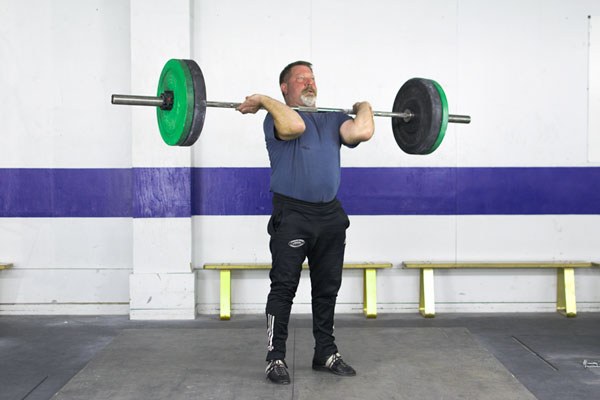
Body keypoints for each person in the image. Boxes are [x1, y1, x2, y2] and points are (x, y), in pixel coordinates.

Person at [236, 61, 374, 385]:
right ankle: (275, 357)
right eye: (301, 79)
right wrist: (264, 100)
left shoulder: (332, 119)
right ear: (285, 87)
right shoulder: (277, 117)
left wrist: (363, 106)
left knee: (327, 289)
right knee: (284, 287)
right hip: (293, 215)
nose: (309, 83)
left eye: (312, 78)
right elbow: (294, 127)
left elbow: (363, 130)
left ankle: (325, 352)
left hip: (330, 217)